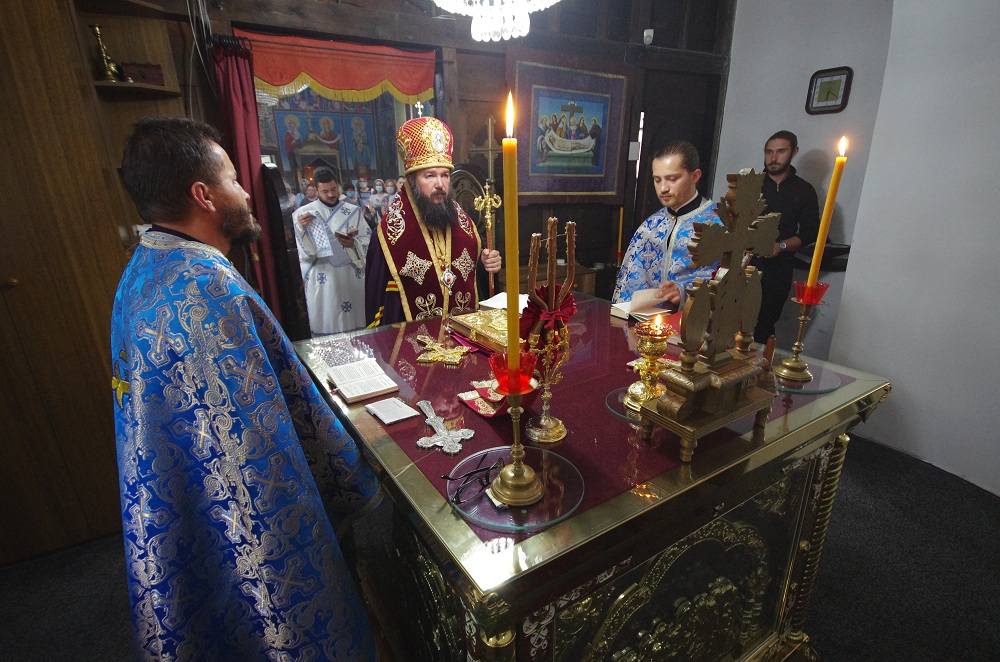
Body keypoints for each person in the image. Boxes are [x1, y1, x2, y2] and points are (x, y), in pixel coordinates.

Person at [111, 116, 378, 661]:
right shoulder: (208, 288)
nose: (245, 192)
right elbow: (260, 436)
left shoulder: (145, 266)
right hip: (249, 513)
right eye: (233, 179)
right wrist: (351, 465)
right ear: (204, 195)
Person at [365, 116, 502, 326]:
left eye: (445, 175)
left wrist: (485, 265)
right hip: (415, 340)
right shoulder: (387, 236)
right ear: (412, 180)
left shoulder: (465, 225)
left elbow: (474, 283)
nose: (440, 184)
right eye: (430, 176)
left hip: (462, 335)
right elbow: (383, 304)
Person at [613, 140, 723, 308]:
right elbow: (628, 284)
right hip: (648, 320)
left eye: (672, 179)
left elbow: (727, 281)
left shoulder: (718, 224)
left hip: (692, 319)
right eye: (657, 180)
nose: (663, 188)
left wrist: (684, 291)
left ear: (695, 176)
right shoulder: (649, 227)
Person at [751, 130, 820, 341]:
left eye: (780, 152)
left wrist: (780, 246)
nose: (773, 158)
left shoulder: (804, 190)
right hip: (746, 263)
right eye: (769, 152)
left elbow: (810, 232)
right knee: (734, 321)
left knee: (764, 325)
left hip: (779, 268)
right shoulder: (752, 184)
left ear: (794, 152)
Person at [294, 166, 370, 333]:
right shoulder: (303, 214)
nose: (330, 194)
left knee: (357, 323)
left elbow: (368, 240)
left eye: (334, 189)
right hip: (323, 276)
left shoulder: (353, 211)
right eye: (325, 191)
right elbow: (302, 251)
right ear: (316, 190)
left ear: (338, 186)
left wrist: (353, 243)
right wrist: (300, 228)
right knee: (328, 321)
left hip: (351, 275)